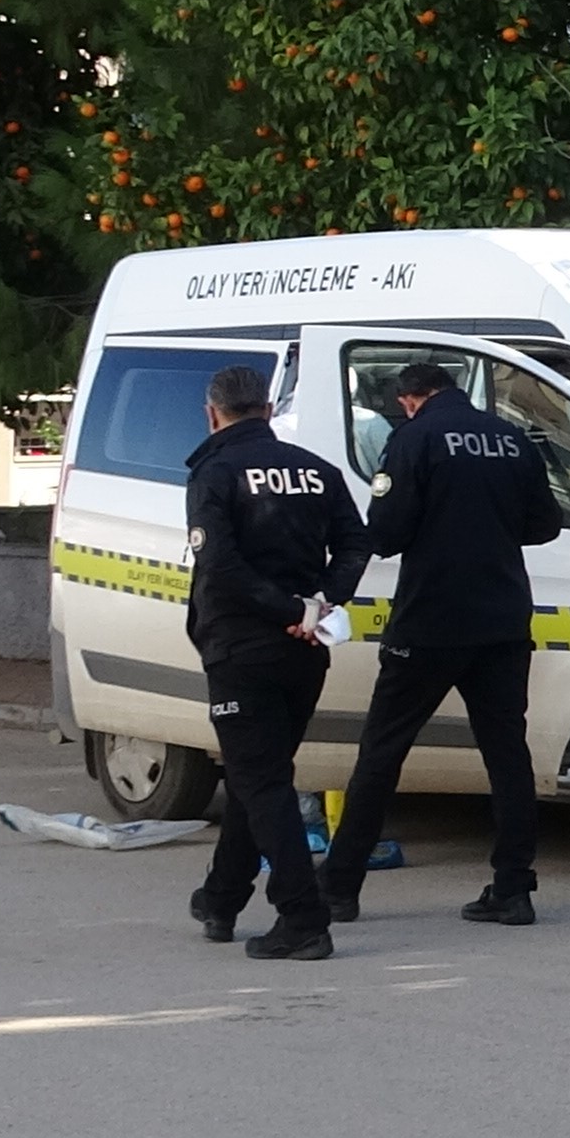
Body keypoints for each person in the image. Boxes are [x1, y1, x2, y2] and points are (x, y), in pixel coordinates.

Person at [318, 361, 565, 927]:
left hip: (430, 620)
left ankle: (339, 888)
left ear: (410, 400)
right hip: (502, 620)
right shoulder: (511, 439)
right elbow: (545, 524)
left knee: (383, 752)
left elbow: (385, 533)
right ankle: (513, 888)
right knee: (507, 755)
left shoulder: (414, 439)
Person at [182, 363, 370, 961]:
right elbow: (356, 543)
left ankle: (302, 918)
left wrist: (291, 609)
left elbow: (220, 566)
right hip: (304, 650)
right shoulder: (316, 470)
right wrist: (318, 605)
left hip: (242, 649)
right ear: (266, 410)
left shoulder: (215, 473)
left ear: (213, 414)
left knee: (262, 781)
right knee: (256, 775)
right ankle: (221, 899)